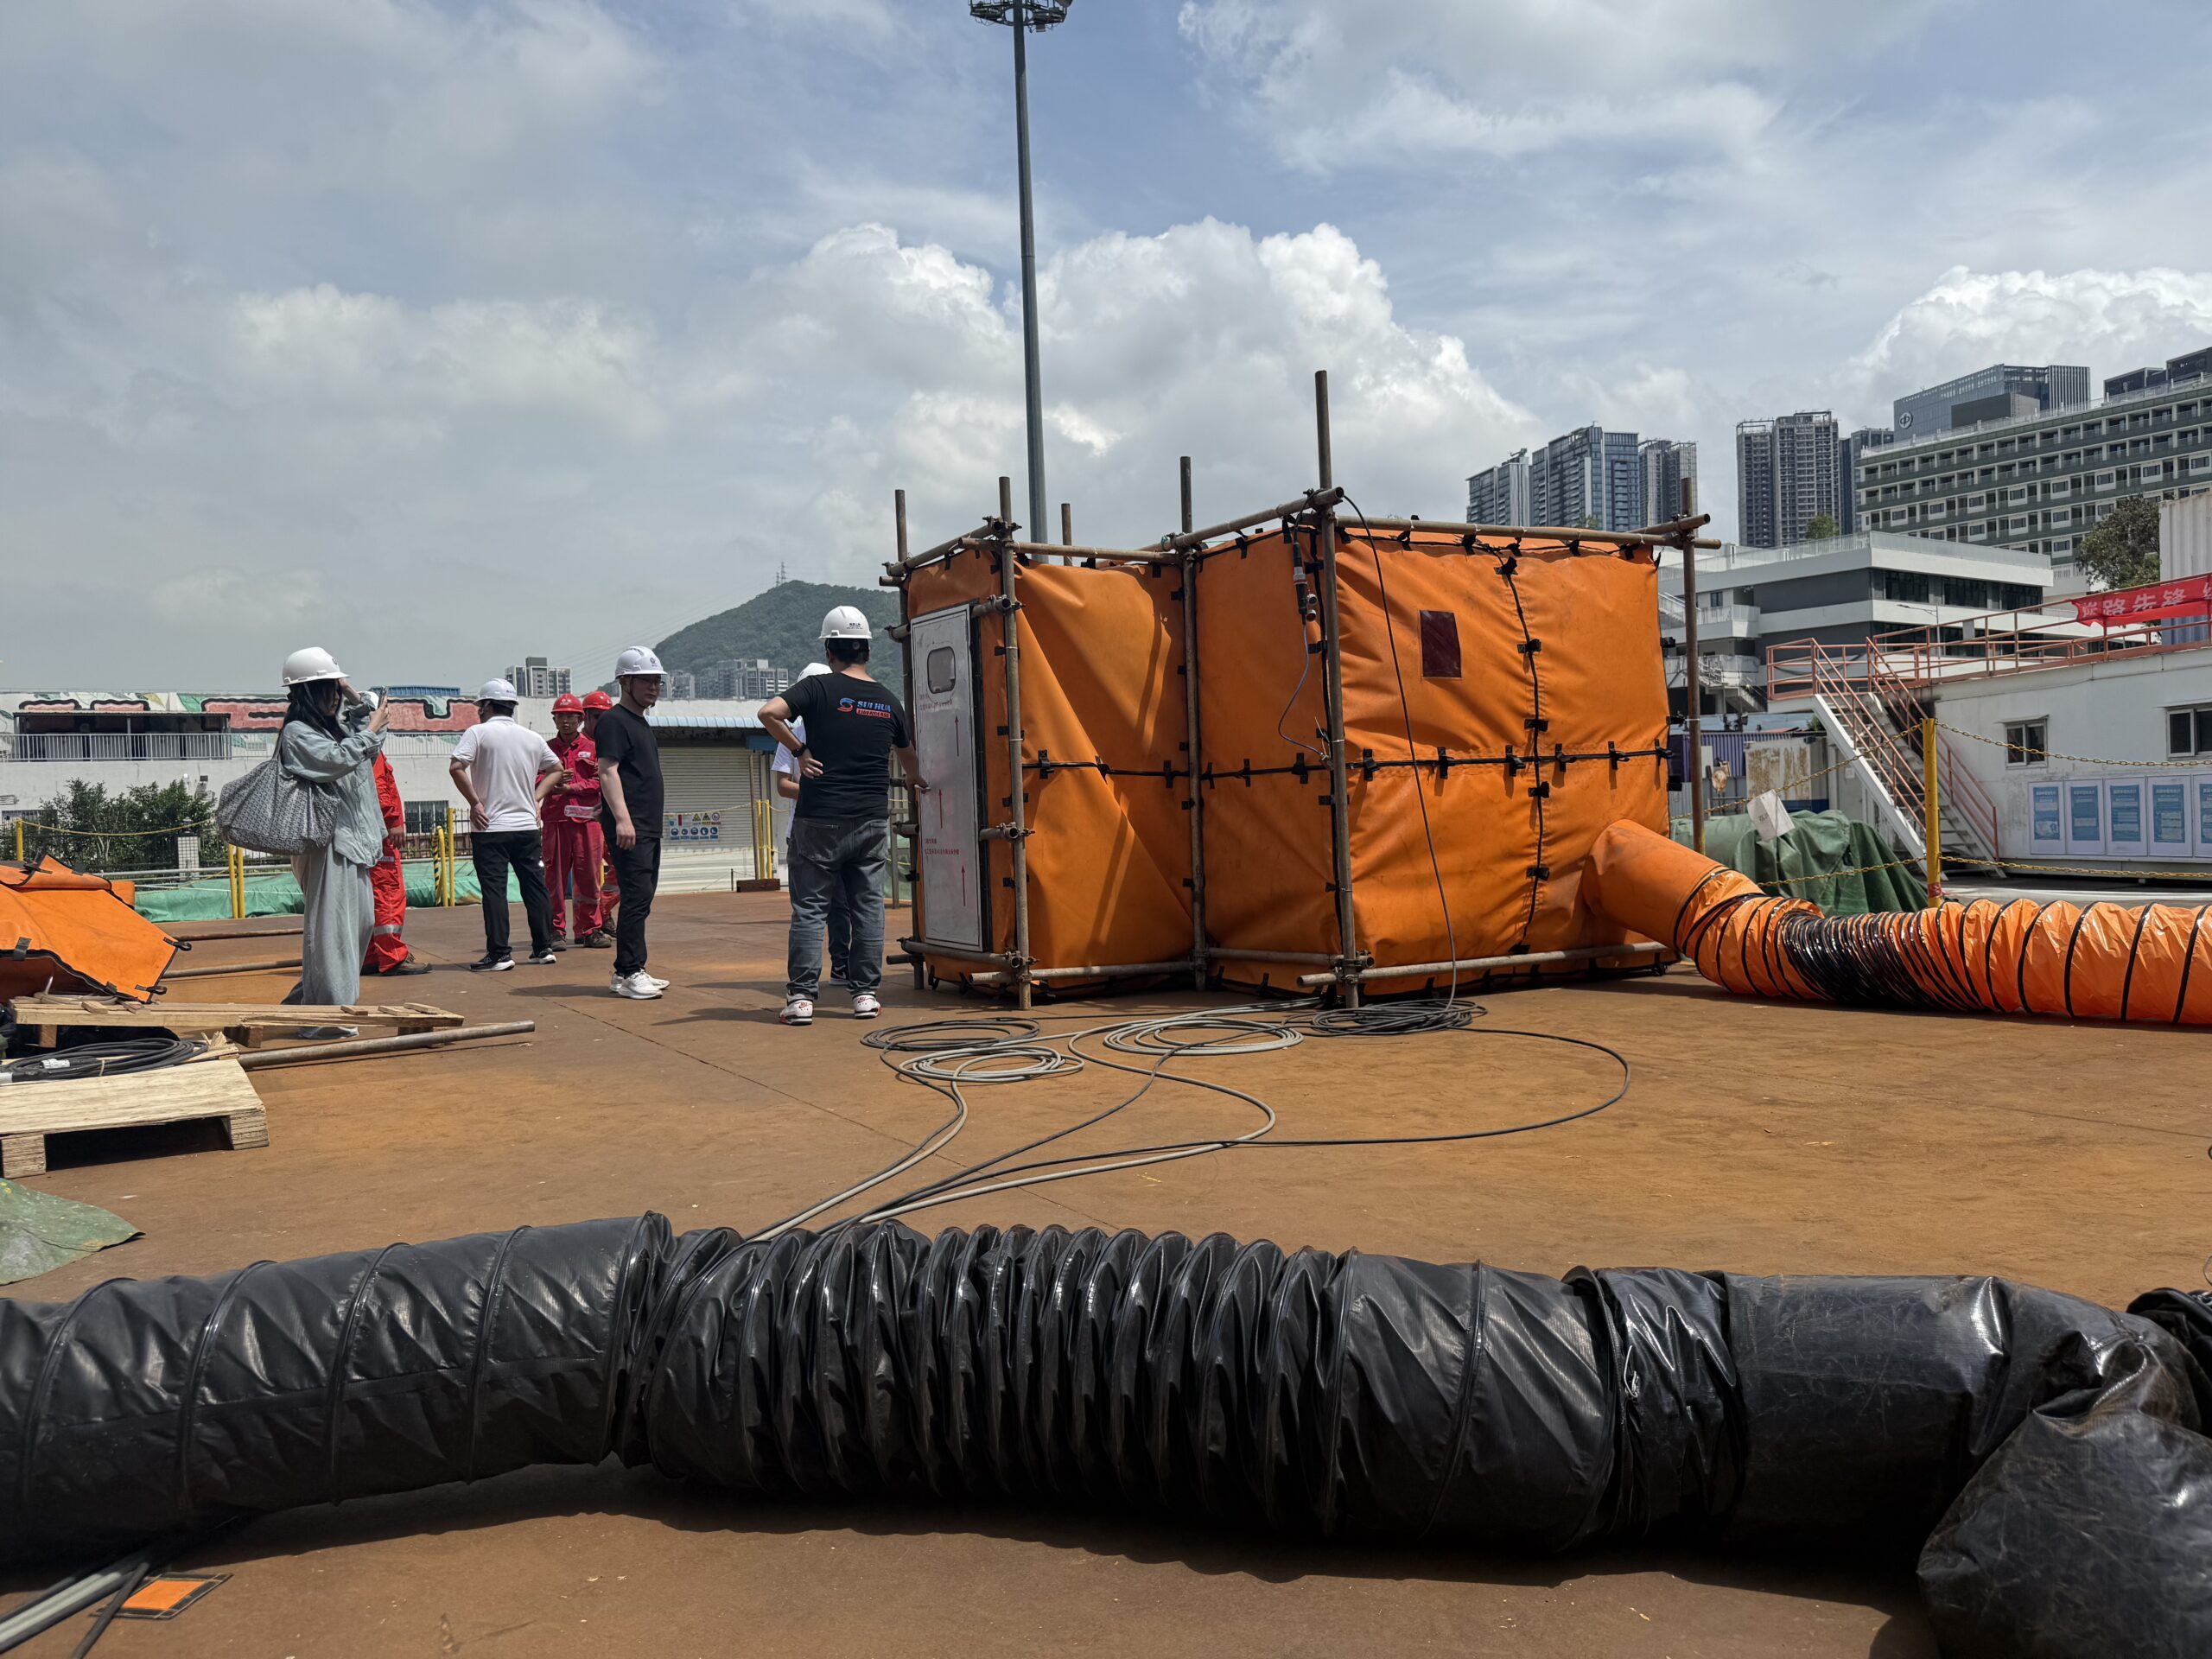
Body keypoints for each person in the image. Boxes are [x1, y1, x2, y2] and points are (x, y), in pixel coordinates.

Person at [758, 607, 925, 1026]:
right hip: (870, 820)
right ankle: (865, 995)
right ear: (866, 649)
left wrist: (800, 752)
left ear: (829, 649)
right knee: (868, 907)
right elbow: (907, 754)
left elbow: (768, 713)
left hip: (818, 819)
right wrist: (915, 781)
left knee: (811, 908)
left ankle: (801, 999)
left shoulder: (816, 688)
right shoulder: (888, 700)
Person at [276, 647, 393, 1034]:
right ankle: (328, 1019)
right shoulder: (298, 734)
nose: (336, 697)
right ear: (309, 693)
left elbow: (371, 724)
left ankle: (305, 1007)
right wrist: (370, 728)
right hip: (326, 845)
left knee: (356, 928)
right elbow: (339, 759)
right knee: (333, 935)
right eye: (328, 689)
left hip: (350, 842)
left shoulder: (335, 728)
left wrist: (351, 691)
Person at [448, 677, 565, 972]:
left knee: (495, 891)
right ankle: (543, 948)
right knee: (535, 888)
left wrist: (475, 802)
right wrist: (536, 799)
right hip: (526, 826)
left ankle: (500, 953)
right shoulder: (532, 738)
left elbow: (456, 767)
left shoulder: (478, 733)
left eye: (480, 706)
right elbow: (556, 769)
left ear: (487, 705)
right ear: (512, 706)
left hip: (490, 828)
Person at [769, 662, 851, 989]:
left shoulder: (842, 729)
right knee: (812, 910)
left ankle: (841, 967)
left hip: (836, 829)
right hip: (803, 831)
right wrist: (819, 792)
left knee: (838, 907)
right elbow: (783, 785)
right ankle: (811, 976)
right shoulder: (790, 735)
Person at [595, 648, 668, 1000]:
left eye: (657, 681)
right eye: (647, 681)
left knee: (643, 897)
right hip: (632, 826)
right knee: (637, 896)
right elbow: (607, 770)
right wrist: (622, 819)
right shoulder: (614, 720)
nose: (654, 687)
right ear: (625, 681)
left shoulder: (639, 721)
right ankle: (630, 970)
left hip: (645, 824)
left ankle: (625, 971)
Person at [543, 693, 610, 948]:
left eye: (571, 716)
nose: (566, 721)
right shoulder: (546, 749)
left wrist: (571, 788)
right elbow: (536, 779)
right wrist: (553, 782)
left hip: (587, 823)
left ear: (581, 719)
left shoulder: (594, 748)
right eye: (561, 717)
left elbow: (601, 780)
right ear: (555, 720)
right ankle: (555, 931)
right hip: (556, 821)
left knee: (589, 878)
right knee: (555, 880)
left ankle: (590, 929)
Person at [364, 749, 429, 976]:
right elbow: (379, 787)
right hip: (381, 834)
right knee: (388, 892)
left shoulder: (352, 743)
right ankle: (391, 957)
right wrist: (392, 820)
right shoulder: (371, 749)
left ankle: (372, 956)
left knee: (373, 896)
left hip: (370, 832)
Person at [581, 689, 622, 934]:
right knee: (586, 877)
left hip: (611, 820)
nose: (601, 722)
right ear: (586, 717)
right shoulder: (578, 746)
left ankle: (602, 912)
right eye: (596, 716)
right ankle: (589, 925)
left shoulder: (614, 743)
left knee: (624, 867)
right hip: (585, 821)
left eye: (605, 716)